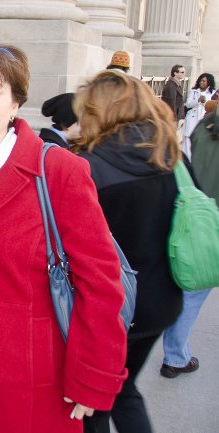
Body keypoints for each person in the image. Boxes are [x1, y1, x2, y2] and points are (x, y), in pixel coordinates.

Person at [0, 43, 127, 433]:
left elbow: (101, 282)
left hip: (31, 381)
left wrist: (94, 377)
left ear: (16, 103)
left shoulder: (59, 171)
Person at [71, 70, 183, 433]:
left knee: (93, 405)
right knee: (123, 391)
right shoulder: (173, 157)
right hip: (161, 302)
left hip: (109, 310)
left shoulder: (88, 167)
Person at [159, 97, 218, 380]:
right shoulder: (172, 152)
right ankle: (175, 356)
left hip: (188, 210)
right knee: (195, 290)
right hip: (203, 217)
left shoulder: (203, 128)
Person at [181, 72, 216, 159]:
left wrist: (204, 102)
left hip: (203, 120)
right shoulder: (193, 92)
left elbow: (212, 107)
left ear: (209, 82)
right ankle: (187, 161)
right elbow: (188, 104)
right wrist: (198, 100)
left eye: (204, 81)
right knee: (188, 141)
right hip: (192, 119)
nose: (201, 82)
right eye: (200, 80)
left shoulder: (213, 93)